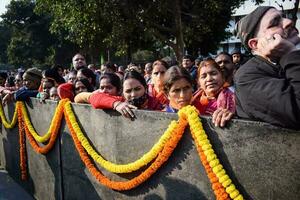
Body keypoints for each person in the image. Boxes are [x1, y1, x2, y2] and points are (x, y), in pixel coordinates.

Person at [234, 6, 300, 129]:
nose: (289, 22)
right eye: (274, 23)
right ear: (255, 44)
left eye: (284, 17)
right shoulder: (247, 77)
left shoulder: (287, 61)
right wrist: (289, 53)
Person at [79, 70, 162, 118]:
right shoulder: (121, 102)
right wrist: (116, 104)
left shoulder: (159, 104)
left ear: (145, 88)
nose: (133, 94)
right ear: (122, 93)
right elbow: (79, 97)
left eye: (137, 89)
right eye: (128, 91)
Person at [192, 59, 235, 127]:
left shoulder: (234, 99)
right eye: (203, 76)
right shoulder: (192, 100)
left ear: (223, 77)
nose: (209, 79)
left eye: (213, 73)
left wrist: (231, 114)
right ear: (198, 82)